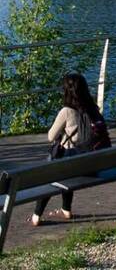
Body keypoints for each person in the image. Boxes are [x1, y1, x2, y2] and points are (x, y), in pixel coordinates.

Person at [30, 71, 104, 226]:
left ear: (66, 91)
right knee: (68, 165)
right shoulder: (93, 109)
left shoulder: (66, 111)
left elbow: (51, 136)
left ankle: (36, 215)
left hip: (71, 165)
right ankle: (66, 209)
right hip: (92, 166)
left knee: (51, 170)